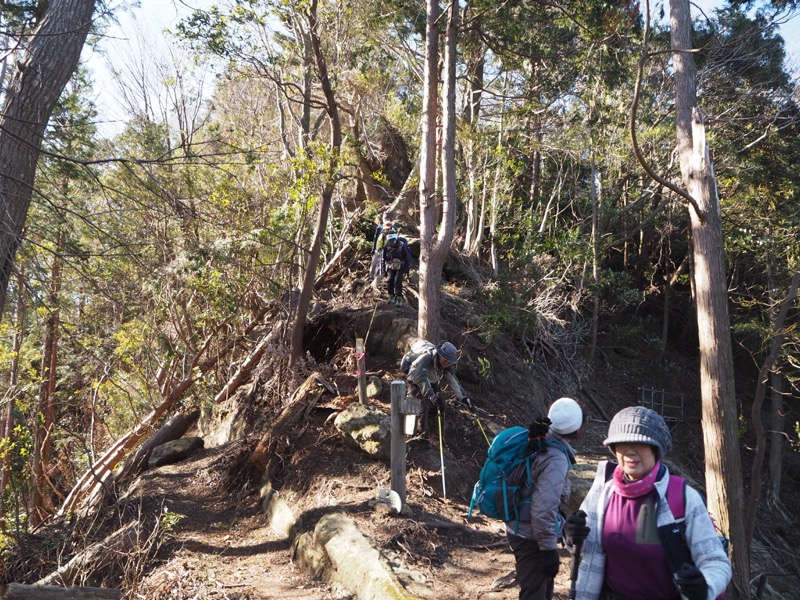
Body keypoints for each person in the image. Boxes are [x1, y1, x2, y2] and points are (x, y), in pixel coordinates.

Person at [565, 406, 732, 600]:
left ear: (655, 449)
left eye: (639, 443)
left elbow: (716, 561)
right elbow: (583, 547)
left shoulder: (683, 497)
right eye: (621, 443)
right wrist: (571, 535)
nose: (629, 451)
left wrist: (704, 588)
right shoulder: (603, 491)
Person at [505, 397, 583, 600]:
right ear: (576, 428)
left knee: (541, 589)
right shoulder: (555, 458)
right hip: (531, 536)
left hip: (521, 527)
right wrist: (548, 549)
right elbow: (543, 508)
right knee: (535, 593)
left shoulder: (541, 439)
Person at [405, 340, 474, 437]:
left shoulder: (446, 364)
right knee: (422, 407)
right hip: (415, 381)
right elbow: (421, 378)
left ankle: (419, 422)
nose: (446, 363)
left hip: (431, 382)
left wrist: (463, 397)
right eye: (445, 360)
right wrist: (431, 395)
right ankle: (420, 437)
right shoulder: (426, 358)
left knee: (440, 406)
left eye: (449, 361)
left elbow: (453, 380)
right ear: (440, 354)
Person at [381, 232, 411, 305]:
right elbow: (383, 259)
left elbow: (407, 258)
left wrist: (407, 269)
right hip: (390, 265)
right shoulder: (387, 246)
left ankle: (399, 298)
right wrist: (383, 270)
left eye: (393, 241)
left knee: (398, 281)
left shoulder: (402, 246)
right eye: (390, 242)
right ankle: (391, 296)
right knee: (390, 280)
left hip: (400, 266)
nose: (392, 244)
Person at [370, 214, 396, 280]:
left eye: (388, 219)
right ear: (383, 220)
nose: (386, 220)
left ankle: (385, 277)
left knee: (386, 263)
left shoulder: (394, 228)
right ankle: (372, 276)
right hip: (379, 247)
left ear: (390, 219)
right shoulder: (379, 228)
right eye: (385, 219)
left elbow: (396, 239)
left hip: (389, 249)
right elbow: (375, 239)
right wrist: (373, 249)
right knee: (375, 262)